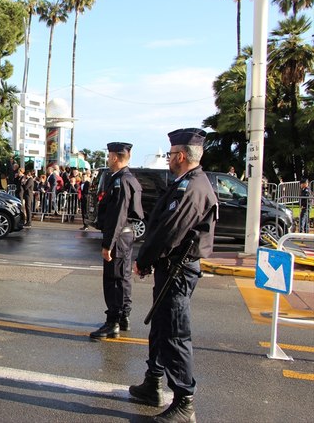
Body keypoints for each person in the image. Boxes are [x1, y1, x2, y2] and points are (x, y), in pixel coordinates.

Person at [129, 128, 218, 423]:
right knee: (161, 326)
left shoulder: (192, 187)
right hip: (170, 268)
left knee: (175, 333)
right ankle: (153, 382)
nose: (168, 159)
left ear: (180, 156)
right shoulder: (184, 183)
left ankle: (184, 400)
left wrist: (143, 260)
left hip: (178, 269)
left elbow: (170, 231)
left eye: (170, 154)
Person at [90, 142, 143, 340]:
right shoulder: (129, 178)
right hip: (125, 235)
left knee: (113, 280)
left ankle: (113, 322)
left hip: (118, 236)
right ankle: (123, 316)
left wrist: (108, 245)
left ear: (114, 157)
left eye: (109, 155)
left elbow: (118, 215)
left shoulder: (121, 180)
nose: (108, 158)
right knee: (123, 277)